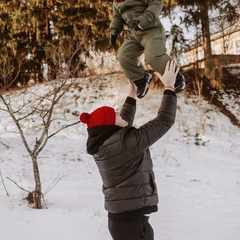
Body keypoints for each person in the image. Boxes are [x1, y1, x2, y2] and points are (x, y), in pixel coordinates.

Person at [79, 60, 178, 240]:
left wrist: (131, 95)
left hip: (123, 220)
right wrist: (169, 87)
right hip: (131, 224)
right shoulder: (126, 143)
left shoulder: (103, 143)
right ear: (110, 125)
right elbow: (164, 121)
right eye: (115, 115)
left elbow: (123, 121)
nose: (120, 115)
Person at [110, 0, 185, 98]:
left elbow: (156, 3)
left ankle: (177, 77)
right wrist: (114, 31)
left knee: (152, 57)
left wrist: (144, 20)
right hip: (135, 34)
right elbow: (117, 17)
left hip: (151, 29)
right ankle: (141, 80)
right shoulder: (116, 2)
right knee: (123, 56)